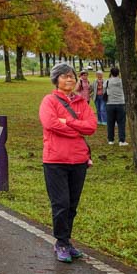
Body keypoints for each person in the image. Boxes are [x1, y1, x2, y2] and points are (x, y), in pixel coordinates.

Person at [38, 62, 97, 263]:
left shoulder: (81, 102)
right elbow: (50, 123)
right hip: (55, 160)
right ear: (56, 80)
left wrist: (69, 122)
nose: (69, 79)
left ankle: (67, 240)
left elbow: (91, 127)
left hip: (79, 160)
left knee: (72, 204)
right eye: (64, 76)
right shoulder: (49, 101)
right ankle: (61, 242)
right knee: (60, 203)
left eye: (71, 76)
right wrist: (77, 129)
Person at [104, 67, 126, 145]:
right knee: (121, 122)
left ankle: (111, 140)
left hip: (110, 104)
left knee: (110, 122)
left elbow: (104, 90)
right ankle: (122, 140)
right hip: (121, 103)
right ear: (118, 73)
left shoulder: (107, 81)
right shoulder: (122, 81)